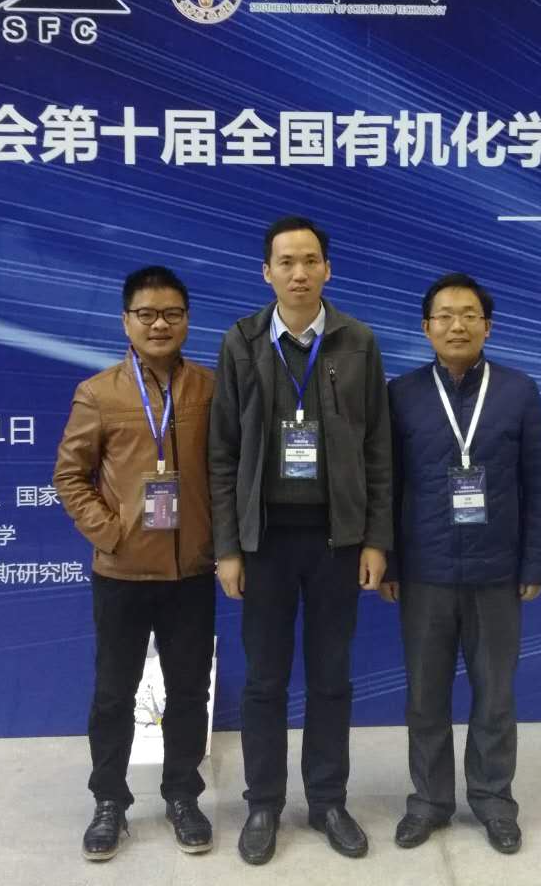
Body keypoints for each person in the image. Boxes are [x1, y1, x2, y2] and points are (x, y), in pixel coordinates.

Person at [208, 216, 392, 865]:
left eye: (310, 260)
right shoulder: (241, 341)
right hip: (264, 542)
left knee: (331, 677)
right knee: (264, 680)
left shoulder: (357, 341)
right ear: (266, 272)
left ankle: (328, 800)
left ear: (328, 270)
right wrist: (227, 547)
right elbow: (222, 453)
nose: (299, 272)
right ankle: (263, 802)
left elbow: (378, 448)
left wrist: (376, 539)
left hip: (337, 540)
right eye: (286, 262)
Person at [380, 272, 541, 855]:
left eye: (469, 315)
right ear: (426, 327)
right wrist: (391, 562)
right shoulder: (402, 394)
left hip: (497, 573)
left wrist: (534, 562)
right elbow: (388, 486)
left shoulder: (518, 391)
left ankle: (493, 800)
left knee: (495, 696)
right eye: (445, 316)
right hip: (424, 571)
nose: (457, 325)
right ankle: (429, 802)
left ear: (488, 325)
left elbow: (539, 485)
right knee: (424, 697)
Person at [54, 266, 217, 861]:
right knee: (113, 693)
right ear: (126, 321)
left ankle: (182, 794)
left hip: (192, 571)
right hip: (121, 573)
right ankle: (109, 800)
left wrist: (220, 543)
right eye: (146, 314)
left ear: (187, 321)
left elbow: (227, 473)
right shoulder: (99, 393)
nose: (159, 324)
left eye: (171, 314)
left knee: (189, 691)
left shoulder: (211, 389)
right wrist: (111, 534)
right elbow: (70, 476)